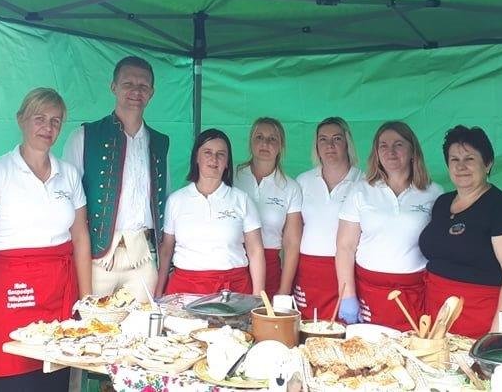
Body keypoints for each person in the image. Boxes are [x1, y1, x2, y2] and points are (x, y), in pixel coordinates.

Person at [0, 88, 92, 391]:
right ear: (21, 120)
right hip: (10, 293)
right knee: (13, 375)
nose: (48, 127)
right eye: (39, 118)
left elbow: (80, 238)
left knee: (55, 375)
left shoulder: (68, 173)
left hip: (59, 290)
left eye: (56, 121)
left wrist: (87, 300)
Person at [63, 56, 169, 302]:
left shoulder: (160, 142)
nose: (136, 91)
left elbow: (163, 199)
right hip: (97, 258)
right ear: (113, 87)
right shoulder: (83, 136)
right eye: (128, 84)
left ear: (151, 93)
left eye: (143, 86)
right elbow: (67, 201)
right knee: (93, 323)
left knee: (144, 324)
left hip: (143, 256)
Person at [419, 125, 502, 338]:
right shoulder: (442, 203)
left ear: (487, 164)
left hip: (484, 322)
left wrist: (496, 336)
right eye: (454, 159)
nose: (461, 166)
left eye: (469, 158)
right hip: (438, 320)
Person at [335, 121, 442, 329]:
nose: (390, 151)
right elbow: (345, 247)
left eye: (398, 144)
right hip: (368, 291)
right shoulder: (361, 190)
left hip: (414, 294)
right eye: (383, 145)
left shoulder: (434, 193)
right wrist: (347, 296)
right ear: (376, 153)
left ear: (413, 151)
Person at [155, 129, 266, 296]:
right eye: (207, 152)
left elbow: (255, 251)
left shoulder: (242, 200)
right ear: (196, 157)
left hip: (232, 291)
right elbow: (166, 250)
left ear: (227, 162)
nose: (214, 159)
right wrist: (158, 292)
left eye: (221, 154)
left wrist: (258, 297)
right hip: (185, 289)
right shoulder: (176, 200)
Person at [293, 117, 363, 322]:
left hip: (347, 273)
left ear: (347, 143)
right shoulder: (303, 181)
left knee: (345, 331)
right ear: (316, 145)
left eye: (337, 138)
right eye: (323, 139)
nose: (329, 145)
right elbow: (294, 233)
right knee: (307, 329)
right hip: (308, 272)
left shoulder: (364, 182)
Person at [234, 117, 303, 299]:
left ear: (281, 146)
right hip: (234, 264)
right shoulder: (232, 176)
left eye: (272, 139)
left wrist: (284, 290)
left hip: (270, 267)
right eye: (259, 137)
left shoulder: (290, 187)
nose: (265, 143)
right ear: (250, 142)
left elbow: (291, 243)